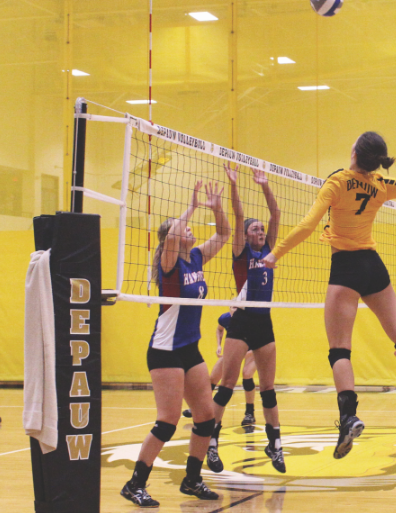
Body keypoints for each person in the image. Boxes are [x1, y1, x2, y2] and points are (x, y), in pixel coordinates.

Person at [263, 132, 396, 460]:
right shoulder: (380, 184)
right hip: (374, 266)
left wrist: (275, 254)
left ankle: (348, 418)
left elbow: (307, 224)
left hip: (345, 267)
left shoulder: (337, 182)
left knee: (339, 349)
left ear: (355, 150)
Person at [120, 180, 230, 507]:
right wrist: (192, 205)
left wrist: (215, 206)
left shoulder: (195, 258)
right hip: (165, 351)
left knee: (205, 418)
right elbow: (169, 238)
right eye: (187, 229)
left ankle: (192, 480)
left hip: (189, 349)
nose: (192, 232)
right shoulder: (169, 266)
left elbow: (224, 234)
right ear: (174, 235)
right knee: (167, 421)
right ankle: (134, 483)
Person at [207, 164, 285, 474]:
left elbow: (276, 215)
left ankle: (274, 443)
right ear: (245, 234)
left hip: (263, 323)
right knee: (227, 384)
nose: (260, 232)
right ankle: (211, 442)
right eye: (255, 229)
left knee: (268, 387)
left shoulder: (268, 250)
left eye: (261, 230)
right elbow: (238, 217)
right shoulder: (241, 253)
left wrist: (265, 185)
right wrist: (235, 186)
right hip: (240, 323)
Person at [181, 310, 258, 427]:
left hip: (253, 351)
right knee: (213, 378)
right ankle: (198, 408)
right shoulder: (225, 318)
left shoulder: (250, 322)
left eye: (238, 308)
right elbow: (219, 329)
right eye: (233, 308)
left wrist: (236, 354)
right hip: (233, 350)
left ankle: (249, 413)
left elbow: (259, 345)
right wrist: (219, 345)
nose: (235, 310)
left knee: (247, 374)